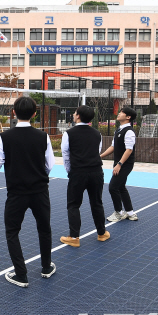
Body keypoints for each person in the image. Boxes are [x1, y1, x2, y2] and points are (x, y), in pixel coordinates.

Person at [0, 96, 56, 287]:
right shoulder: (43, 136)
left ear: (13, 112)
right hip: (40, 191)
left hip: (16, 193)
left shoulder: (4, 137)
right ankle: (46, 267)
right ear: (35, 114)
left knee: (12, 232)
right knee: (44, 229)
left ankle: (21, 274)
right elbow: (50, 165)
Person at [59, 106, 109, 248]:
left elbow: (66, 155)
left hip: (78, 173)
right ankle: (101, 233)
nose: (74, 115)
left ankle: (74, 237)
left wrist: (70, 171)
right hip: (96, 172)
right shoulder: (97, 134)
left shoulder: (68, 134)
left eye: (75, 113)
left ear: (78, 116)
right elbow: (97, 152)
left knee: (73, 204)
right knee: (97, 202)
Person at [100, 107, 138, 222]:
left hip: (125, 164)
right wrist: (100, 156)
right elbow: (113, 147)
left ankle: (119, 212)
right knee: (121, 187)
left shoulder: (129, 132)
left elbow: (129, 150)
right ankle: (130, 213)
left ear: (128, 117)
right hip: (119, 163)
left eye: (121, 112)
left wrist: (119, 164)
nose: (119, 113)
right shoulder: (118, 130)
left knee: (113, 187)